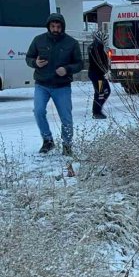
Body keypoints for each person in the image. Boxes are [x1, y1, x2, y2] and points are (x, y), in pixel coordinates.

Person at [25, 13, 83, 175]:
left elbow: (79, 63)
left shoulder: (71, 43)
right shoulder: (39, 40)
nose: (56, 29)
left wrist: (67, 69)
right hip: (42, 84)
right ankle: (48, 140)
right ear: (48, 26)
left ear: (62, 27)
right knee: (38, 111)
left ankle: (67, 144)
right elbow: (28, 58)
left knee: (66, 117)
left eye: (58, 27)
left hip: (62, 86)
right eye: (53, 27)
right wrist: (34, 63)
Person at [88, 30, 111, 119]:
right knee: (101, 92)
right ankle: (96, 112)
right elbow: (100, 61)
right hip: (97, 75)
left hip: (97, 74)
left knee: (104, 91)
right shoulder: (97, 47)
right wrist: (106, 69)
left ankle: (97, 110)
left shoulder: (92, 46)